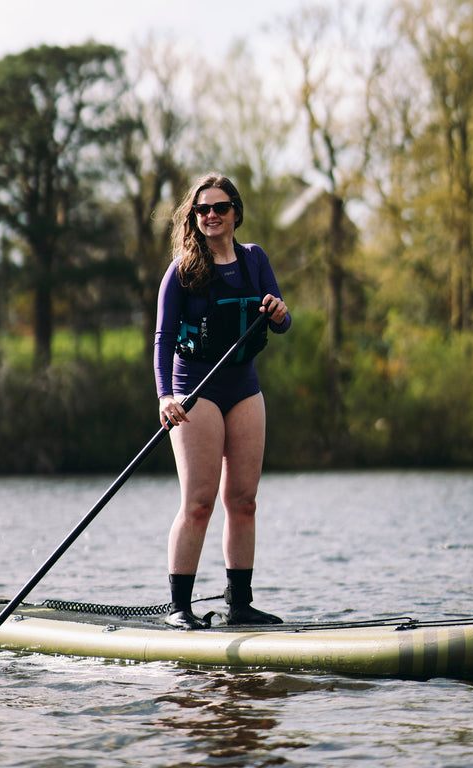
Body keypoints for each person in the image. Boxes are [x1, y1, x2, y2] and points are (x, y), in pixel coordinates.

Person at [153, 173, 291, 629]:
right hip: (195, 390)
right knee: (199, 503)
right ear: (194, 217)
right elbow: (163, 338)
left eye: (220, 207)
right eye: (202, 209)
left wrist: (280, 312)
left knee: (244, 500)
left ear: (236, 212)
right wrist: (164, 396)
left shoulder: (255, 260)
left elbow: (281, 323)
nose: (211, 215)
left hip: (244, 387)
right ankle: (179, 608)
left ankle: (240, 604)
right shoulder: (182, 270)